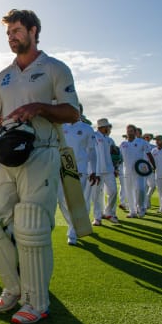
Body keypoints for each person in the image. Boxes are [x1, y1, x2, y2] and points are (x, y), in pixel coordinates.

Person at [0, 9, 80, 324]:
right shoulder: (4, 76)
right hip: (5, 156)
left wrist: (40, 106)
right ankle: (13, 288)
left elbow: (73, 113)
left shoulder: (55, 68)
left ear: (33, 30)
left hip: (41, 152)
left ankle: (37, 301)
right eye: (8, 33)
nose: (12, 37)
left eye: (17, 31)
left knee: (31, 225)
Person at [57, 103, 97, 244]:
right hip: (61, 168)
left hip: (79, 169)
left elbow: (92, 151)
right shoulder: (61, 127)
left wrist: (94, 170)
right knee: (61, 200)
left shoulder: (86, 129)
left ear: (80, 112)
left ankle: (72, 233)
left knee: (76, 201)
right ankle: (73, 224)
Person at [119, 124, 155, 218]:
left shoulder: (142, 142)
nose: (129, 133)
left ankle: (141, 208)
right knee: (129, 191)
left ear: (135, 132)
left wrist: (153, 166)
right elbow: (119, 158)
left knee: (141, 190)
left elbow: (149, 154)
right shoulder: (123, 144)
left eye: (131, 131)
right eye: (128, 131)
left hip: (139, 170)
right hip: (127, 171)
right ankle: (132, 211)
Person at [91, 118, 119, 225]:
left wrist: (115, 167)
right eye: (107, 126)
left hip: (108, 170)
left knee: (113, 191)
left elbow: (115, 155)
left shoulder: (109, 140)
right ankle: (97, 217)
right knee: (96, 195)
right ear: (102, 127)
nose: (109, 128)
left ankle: (108, 212)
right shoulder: (93, 136)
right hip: (97, 170)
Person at [142, 133, 156, 209]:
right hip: (141, 168)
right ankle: (146, 202)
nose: (148, 138)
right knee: (145, 187)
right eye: (146, 137)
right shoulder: (140, 145)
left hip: (150, 168)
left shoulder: (154, 147)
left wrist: (154, 167)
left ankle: (148, 197)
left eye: (149, 137)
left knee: (153, 185)